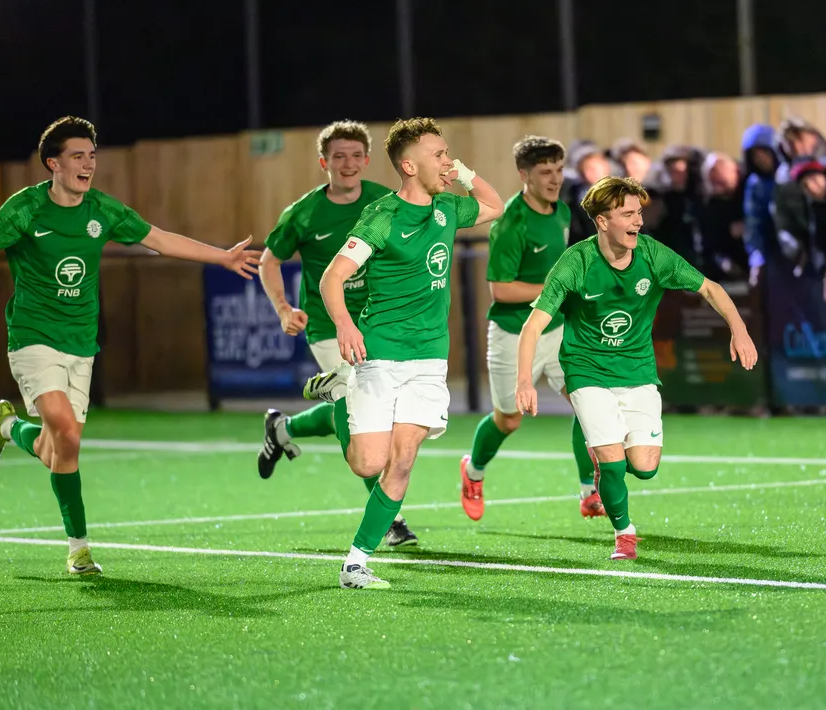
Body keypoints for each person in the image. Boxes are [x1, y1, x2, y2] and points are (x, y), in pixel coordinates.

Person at [0, 116, 261, 574]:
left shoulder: (102, 210)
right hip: (33, 338)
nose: (88, 164)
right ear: (53, 163)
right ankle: (79, 548)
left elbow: (159, 239)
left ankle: (7, 428)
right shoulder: (24, 209)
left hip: (80, 343)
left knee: (59, 449)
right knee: (65, 432)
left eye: (92, 155)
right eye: (77, 156)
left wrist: (221, 255)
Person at [515, 176, 758, 560]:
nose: (638, 221)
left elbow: (710, 287)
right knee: (612, 462)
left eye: (639, 213)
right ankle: (623, 533)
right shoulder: (575, 262)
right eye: (627, 214)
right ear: (602, 221)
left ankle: (603, 461)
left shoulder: (653, 255)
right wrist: (524, 381)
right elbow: (534, 326)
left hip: (637, 371)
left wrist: (739, 330)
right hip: (586, 369)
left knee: (644, 467)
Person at [307, 117, 503, 589]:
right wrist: (344, 323)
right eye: (439, 155)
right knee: (367, 464)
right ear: (410, 165)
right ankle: (339, 395)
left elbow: (493, 205)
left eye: (448, 153)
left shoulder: (447, 209)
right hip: (381, 353)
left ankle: (355, 563)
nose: (447, 161)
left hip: (429, 360)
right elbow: (332, 277)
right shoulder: (383, 215)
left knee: (404, 460)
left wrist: (466, 173)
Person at [254, 119, 419, 547]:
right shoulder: (304, 213)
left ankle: (282, 429)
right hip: (330, 329)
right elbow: (269, 261)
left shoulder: (387, 201)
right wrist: (283, 309)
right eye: (338, 156)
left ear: (367, 160)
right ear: (324, 162)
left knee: (366, 410)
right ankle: (389, 519)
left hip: (380, 325)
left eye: (355, 156)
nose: (347, 163)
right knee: (359, 412)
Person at [459, 135, 604, 520]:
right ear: (524, 175)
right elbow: (501, 290)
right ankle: (472, 471)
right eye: (545, 173)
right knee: (508, 419)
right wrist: (557, 289)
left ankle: (590, 491)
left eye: (558, 170)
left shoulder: (560, 210)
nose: (555, 180)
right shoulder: (510, 222)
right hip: (513, 332)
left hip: (556, 328)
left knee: (588, 403)